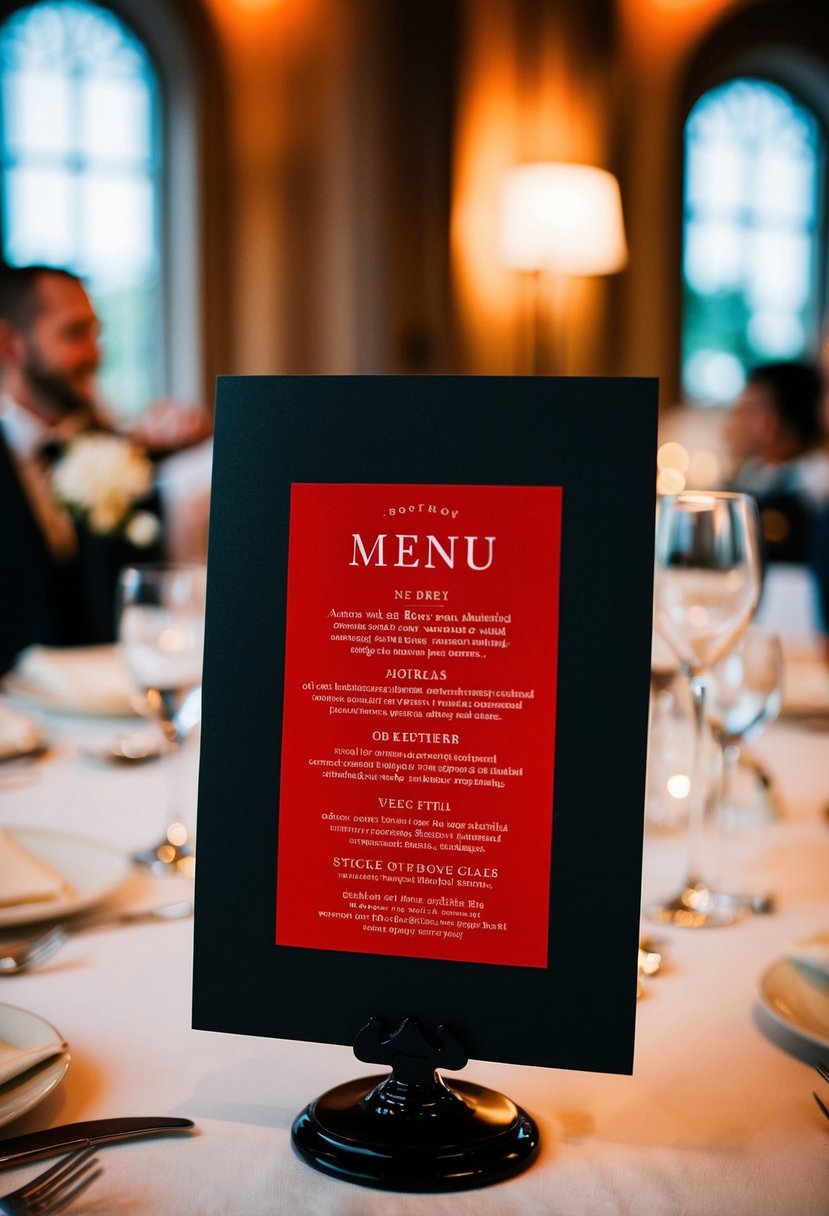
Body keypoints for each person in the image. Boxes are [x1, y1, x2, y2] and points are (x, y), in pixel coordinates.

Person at [0, 264, 210, 675]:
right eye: (74, 333)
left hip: (108, 716)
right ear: (10, 345)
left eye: (96, 333)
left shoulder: (115, 451)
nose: (96, 353)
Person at [725, 360, 829, 564]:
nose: (732, 423)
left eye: (744, 411)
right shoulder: (754, 477)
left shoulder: (815, 492)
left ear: (768, 423)